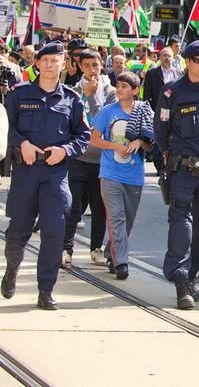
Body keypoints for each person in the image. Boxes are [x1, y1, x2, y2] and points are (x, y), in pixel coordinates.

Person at [2, 41, 91, 310]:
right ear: (37, 64)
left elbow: (83, 136)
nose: (51, 65)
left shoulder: (72, 100)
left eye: (56, 61)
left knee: (54, 231)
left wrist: (65, 150)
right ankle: (12, 269)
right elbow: (6, 127)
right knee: (18, 232)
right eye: (46, 61)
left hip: (55, 174)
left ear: (64, 64)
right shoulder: (18, 95)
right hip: (26, 172)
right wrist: (22, 144)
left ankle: (45, 289)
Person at [154, 40, 199, 310]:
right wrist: (166, 163)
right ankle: (181, 279)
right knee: (181, 220)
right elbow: (161, 132)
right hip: (182, 166)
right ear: (187, 61)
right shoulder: (171, 93)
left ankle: (193, 270)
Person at [90, 71, 151, 280]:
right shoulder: (107, 112)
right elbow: (95, 139)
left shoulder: (143, 112)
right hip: (110, 174)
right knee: (116, 218)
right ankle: (121, 263)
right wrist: (115, 145)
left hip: (134, 175)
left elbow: (152, 143)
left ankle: (111, 253)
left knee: (127, 221)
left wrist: (140, 142)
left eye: (124, 86)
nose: (119, 89)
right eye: (118, 85)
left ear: (135, 91)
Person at [63, 48, 115, 267]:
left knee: (99, 206)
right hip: (77, 157)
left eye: (96, 64)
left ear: (101, 63)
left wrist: (93, 97)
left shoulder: (110, 91)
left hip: (101, 159)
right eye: (87, 65)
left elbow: (103, 123)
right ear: (80, 66)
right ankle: (66, 248)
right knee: (73, 205)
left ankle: (96, 249)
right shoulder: (73, 91)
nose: (92, 69)